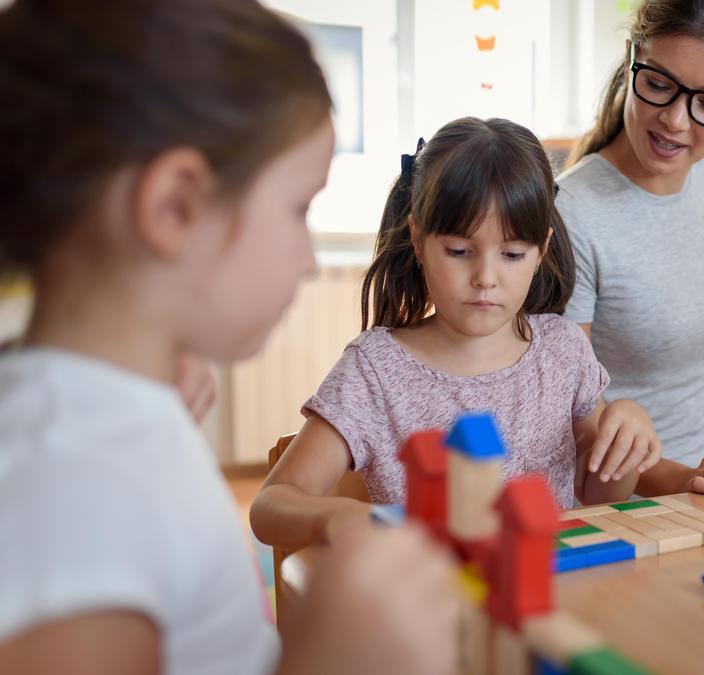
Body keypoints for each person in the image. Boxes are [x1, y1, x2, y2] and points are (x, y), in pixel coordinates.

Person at [0, 1, 457, 673]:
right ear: (176, 206)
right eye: (299, 207)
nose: (307, 258)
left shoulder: (89, 420)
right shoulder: (79, 484)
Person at [251, 117, 662, 553]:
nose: (486, 277)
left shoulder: (563, 350)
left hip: (545, 601)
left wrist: (627, 440)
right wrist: (344, 518)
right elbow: (271, 506)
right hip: (431, 608)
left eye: (512, 254)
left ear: (541, 250)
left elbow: (601, 497)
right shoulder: (375, 371)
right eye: (460, 252)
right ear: (418, 237)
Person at [558, 0, 704, 498]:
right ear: (631, 58)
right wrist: (685, 479)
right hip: (630, 504)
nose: (676, 122)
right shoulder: (573, 211)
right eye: (658, 84)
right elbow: (571, 409)